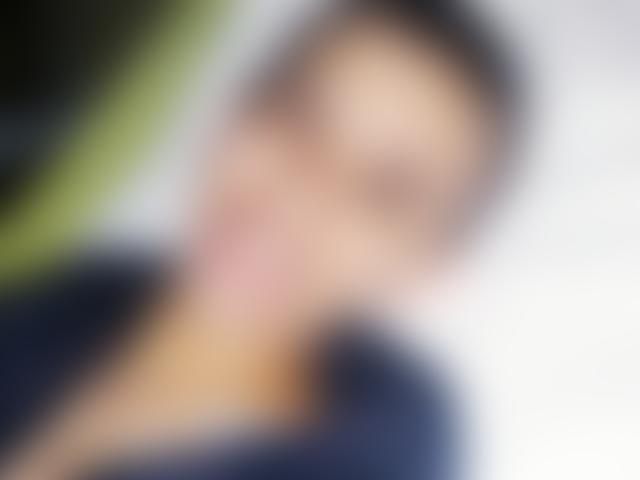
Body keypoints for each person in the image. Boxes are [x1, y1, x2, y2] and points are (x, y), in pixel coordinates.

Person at [0, 1, 516, 479]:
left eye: (381, 191)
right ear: (237, 109)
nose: (303, 188)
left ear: (424, 265)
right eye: (297, 115)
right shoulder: (48, 297)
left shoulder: (369, 460)